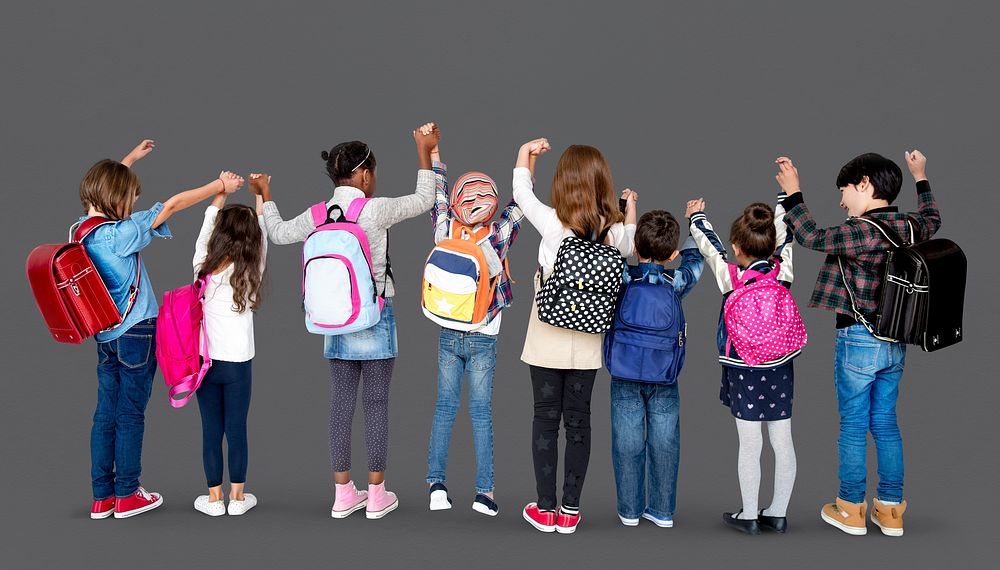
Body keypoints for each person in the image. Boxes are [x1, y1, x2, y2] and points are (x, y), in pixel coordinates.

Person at [779, 151, 941, 537]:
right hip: (896, 340)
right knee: (885, 423)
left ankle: (850, 507)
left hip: (858, 338)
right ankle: (890, 510)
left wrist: (794, 194)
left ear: (864, 185)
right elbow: (934, 217)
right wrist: (921, 177)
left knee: (853, 425)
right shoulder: (911, 226)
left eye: (844, 191)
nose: (841, 201)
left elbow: (812, 237)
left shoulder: (863, 230)